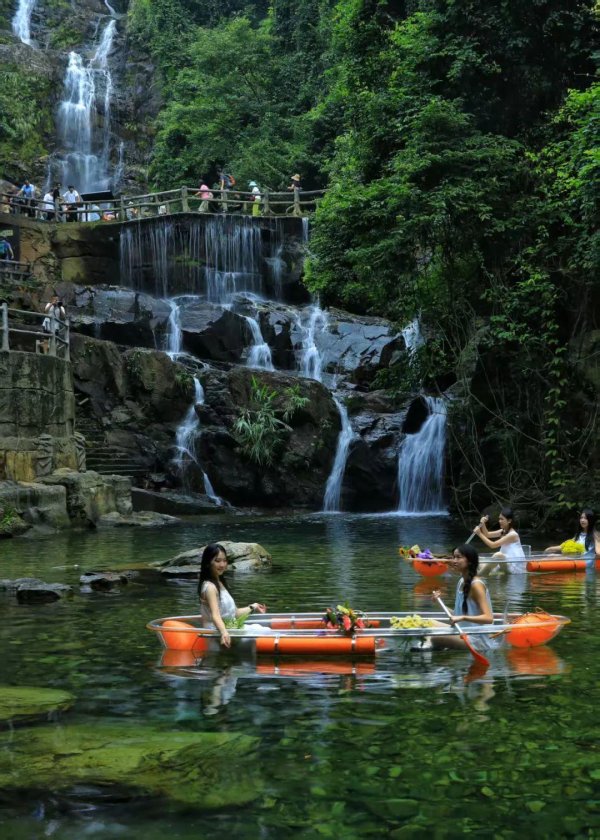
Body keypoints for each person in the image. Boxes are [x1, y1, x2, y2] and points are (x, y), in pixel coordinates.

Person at [431, 544, 498, 651]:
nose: (454, 561)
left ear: (470, 561)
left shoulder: (476, 585)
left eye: (458, 557)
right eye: (454, 557)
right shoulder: (461, 581)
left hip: (476, 639)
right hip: (461, 631)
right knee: (429, 623)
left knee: (435, 638)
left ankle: (432, 650)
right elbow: (457, 616)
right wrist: (439, 602)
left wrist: (462, 618)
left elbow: (488, 618)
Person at [198, 543, 266, 648]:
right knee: (262, 633)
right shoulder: (210, 587)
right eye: (217, 561)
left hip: (230, 627)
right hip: (217, 634)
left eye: (224, 560)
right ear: (208, 563)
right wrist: (224, 633)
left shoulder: (221, 583)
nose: (222, 565)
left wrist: (254, 606)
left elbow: (235, 613)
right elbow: (216, 615)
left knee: (262, 630)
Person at [472, 507, 526, 574]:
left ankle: (479, 575)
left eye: (502, 519)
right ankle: (480, 573)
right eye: (499, 519)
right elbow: (487, 534)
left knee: (498, 555)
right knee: (477, 559)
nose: (499, 521)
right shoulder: (503, 531)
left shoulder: (513, 535)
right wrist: (483, 523)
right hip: (505, 563)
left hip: (515, 567)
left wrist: (479, 533)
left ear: (509, 521)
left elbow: (493, 545)